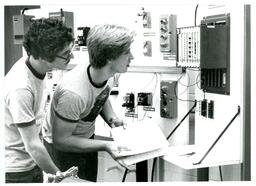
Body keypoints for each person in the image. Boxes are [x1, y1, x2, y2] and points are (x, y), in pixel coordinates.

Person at [42, 24, 135, 182]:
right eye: (127, 52)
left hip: (85, 139)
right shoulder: (74, 93)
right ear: (109, 57)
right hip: (62, 148)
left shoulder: (109, 73)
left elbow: (101, 95)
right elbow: (61, 141)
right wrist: (105, 145)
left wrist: (112, 119)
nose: (131, 57)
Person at [4, 18, 77, 183]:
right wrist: (62, 177)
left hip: (31, 162)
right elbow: (33, 146)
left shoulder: (37, 67)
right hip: (15, 171)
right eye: (66, 54)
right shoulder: (20, 87)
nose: (71, 56)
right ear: (45, 56)